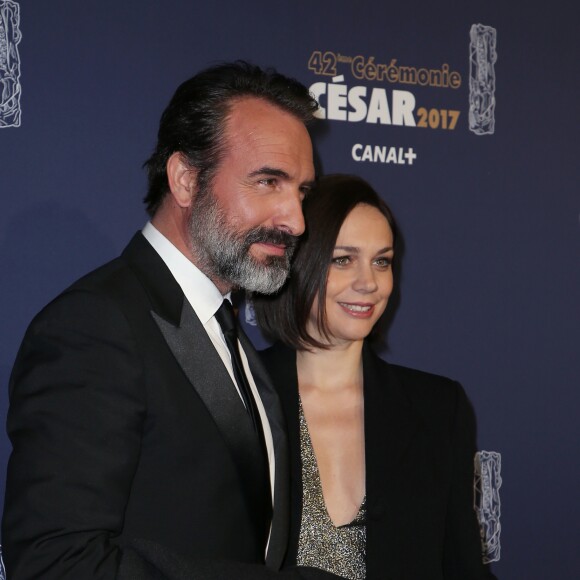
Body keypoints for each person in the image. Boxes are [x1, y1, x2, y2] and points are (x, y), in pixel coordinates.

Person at [2, 62, 340, 580]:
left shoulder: (224, 329)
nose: (295, 220)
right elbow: (56, 560)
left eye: (301, 192)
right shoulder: (94, 326)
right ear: (185, 179)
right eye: (268, 181)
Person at [254, 174, 497, 580]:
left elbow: (463, 568)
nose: (369, 283)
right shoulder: (239, 394)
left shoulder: (438, 408)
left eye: (381, 261)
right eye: (343, 259)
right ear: (299, 262)